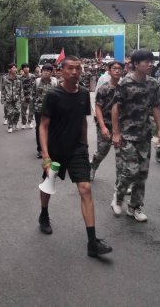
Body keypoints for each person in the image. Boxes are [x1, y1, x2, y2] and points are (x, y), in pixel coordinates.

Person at [38, 55, 113, 257]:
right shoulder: (52, 95)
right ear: (61, 71)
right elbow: (43, 126)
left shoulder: (83, 93)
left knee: (85, 189)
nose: (74, 72)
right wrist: (45, 156)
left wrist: (86, 146)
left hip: (77, 148)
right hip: (55, 149)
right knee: (48, 183)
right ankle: (44, 214)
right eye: (70, 68)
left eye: (77, 68)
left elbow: (83, 122)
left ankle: (92, 243)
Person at [111, 50, 160, 222]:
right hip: (127, 134)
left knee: (142, 174)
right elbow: (115, 108)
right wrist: (116, 133)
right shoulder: (125, 83)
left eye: (151, 61)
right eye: (146, 61)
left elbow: (155, 106)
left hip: (144, 135)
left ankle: (134, 207)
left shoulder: (153, 84)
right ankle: (118, 197)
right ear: (135, 64)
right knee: (130, 171)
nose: (150, 64)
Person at [90, 61, 124, 181]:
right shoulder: (104, 88)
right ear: (109, 71)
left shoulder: (125, 88)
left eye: (119, 68)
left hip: (120, 127)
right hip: (105, 125)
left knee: (121, 155)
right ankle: (92, 166)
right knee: (102, 151)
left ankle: (121, 182)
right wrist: (103, 126)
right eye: (114, 68)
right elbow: (98, 107)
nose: (117, 70)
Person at [31, 63, 57, 159]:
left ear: (51, 72)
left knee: (51, 129)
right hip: (39, 109)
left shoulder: (54, 82)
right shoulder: (37, 81)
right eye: (44, 71)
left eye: (48, 71)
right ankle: (40, 149)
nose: (45, 73)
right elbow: (32, 95)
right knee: (39, 128)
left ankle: (49, 148)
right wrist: (31, 110)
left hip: (51, 110)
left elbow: (57, 96)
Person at [1, 63, 24, 133]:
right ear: (9, 69)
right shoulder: (5, 78)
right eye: (13, 68)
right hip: (8, 98)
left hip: (17, 98)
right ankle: (10, 126)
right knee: (9, 113)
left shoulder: (19, 78)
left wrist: (22, 97)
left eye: (16, 68)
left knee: (18, 111)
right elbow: (3, 88)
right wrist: (2, 98)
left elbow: (21, 88)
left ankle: (15, 122)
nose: (15, 69)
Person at [19, 63, 35, 129]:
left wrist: (34, 95)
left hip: (31, 96)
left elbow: (34, 86)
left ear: (29, 68)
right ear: (23, 69)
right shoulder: (20, 78)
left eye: (27, 67)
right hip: (24, 96)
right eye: (25, 67)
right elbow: (20, 88)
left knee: (31, 110)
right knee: (23, 111)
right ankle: (24, 123)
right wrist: (22, 97)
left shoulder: (32, 76)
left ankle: (30, 122)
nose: (26, 68)